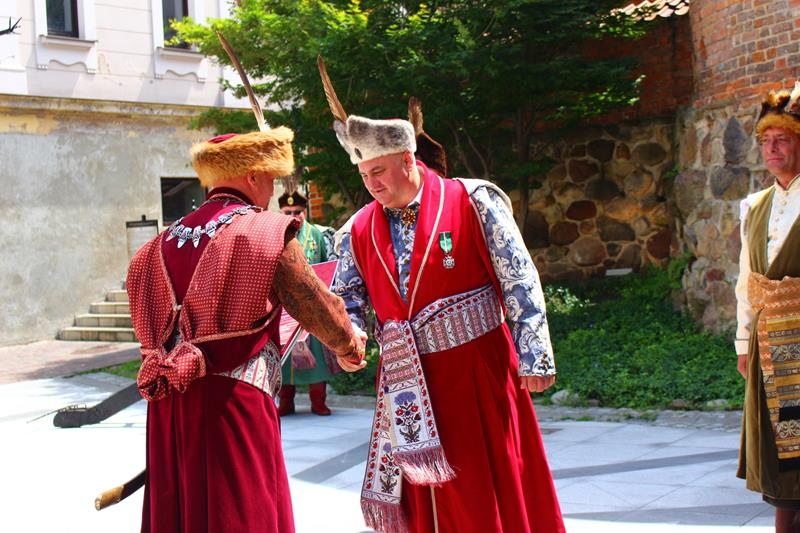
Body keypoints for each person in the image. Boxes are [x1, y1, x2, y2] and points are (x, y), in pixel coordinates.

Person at [329, 111, 565, 532]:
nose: (372, 185)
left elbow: (518, 277)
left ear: (408, 159)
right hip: (405, 386)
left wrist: (534, 354)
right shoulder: (356, 230)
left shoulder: (472, 200)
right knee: (425, 495)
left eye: (379, 171)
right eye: (364, 175)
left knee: (482, 488)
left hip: (477, 371)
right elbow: (347, 298)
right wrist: (348, 337)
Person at [126, 127, 366, 533]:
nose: (271, 191)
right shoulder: (264, 232)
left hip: (168, 403)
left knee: (181, 510)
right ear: (252, 176)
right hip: (232, 404)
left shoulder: (154, 247)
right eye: (270, 179)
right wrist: (348, 344)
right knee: (238, 510)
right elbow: (312, 300)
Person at [736, 81, 800, 532]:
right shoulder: (754, 205)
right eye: (766, 140)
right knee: (781, 441)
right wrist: (743, 341)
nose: (772, 148)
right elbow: (746, 281)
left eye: (783, 139)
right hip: (768, 341)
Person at [277, 190, 337, 416]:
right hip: (287, 305)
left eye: (298, 212)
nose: (294, 216)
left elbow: (326, 264)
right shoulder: (277, 234)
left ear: (305, 212)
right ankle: (286, 401)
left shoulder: (317, 235)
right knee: (286, 358)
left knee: (317, 354)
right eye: (288, 212)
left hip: (313, 306)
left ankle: (318, 401)